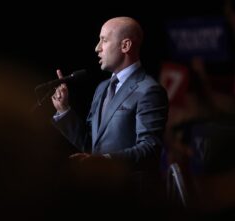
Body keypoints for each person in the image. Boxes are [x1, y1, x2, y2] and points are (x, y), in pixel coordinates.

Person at [51, 16, 169, 173]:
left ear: (125, 45)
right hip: (101, 190)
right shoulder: (102, 88)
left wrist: (105, 161)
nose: (97, 48)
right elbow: (91, 144)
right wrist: (64, 110)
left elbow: (149, 149)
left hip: (129, 192)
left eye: (104, 40)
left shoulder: (149, 91)